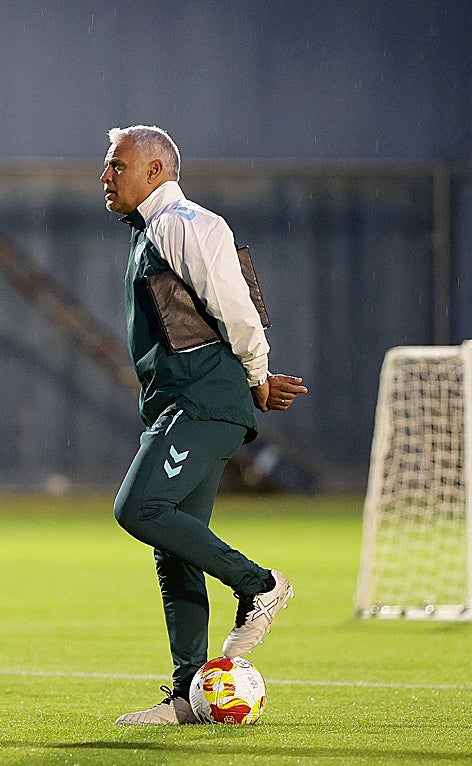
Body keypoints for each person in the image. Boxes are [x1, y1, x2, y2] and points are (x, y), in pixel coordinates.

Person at [100, 125, 306, 725]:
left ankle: (259, 585)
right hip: (180, 403)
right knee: (174, 548)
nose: (106, 176)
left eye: (117, 165)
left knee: (138, 510)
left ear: (156, 170)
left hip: (203, 401)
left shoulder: (184, 223)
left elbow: (237, 306)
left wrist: (258, 375)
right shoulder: (150, 230)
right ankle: (189, 694)